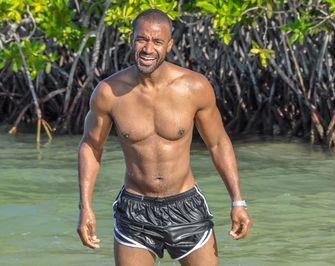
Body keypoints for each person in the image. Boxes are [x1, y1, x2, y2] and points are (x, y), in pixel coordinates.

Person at [77, 8, 252, 266]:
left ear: (169, 44)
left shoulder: (194, 87)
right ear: (132, 40)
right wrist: (85, 207)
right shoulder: (109, 92)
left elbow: (218, 143)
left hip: (186, 205)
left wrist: (237, 200)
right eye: (142, 39)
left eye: (157, 41)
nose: (148, 48)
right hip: (135, 210)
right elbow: (91, 147)